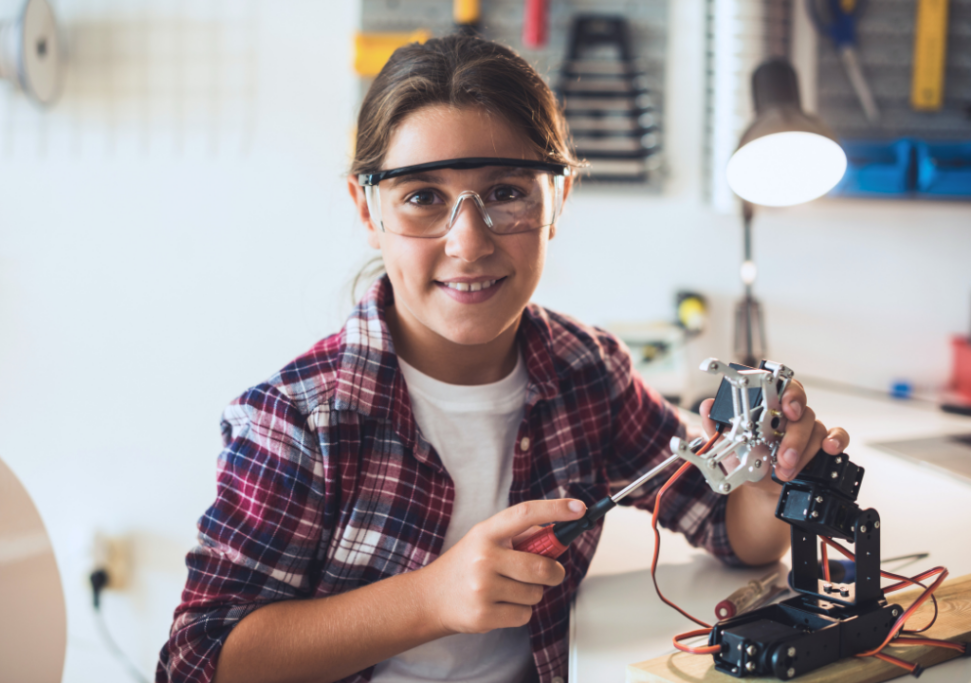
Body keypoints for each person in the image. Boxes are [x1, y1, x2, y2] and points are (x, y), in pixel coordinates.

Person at [157, 34, 849, 683]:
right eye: (422, 197)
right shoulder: (299, 419)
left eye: (506, 193)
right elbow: (199, 657)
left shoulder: (588, 371)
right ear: (367, 209)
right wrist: (429, 599)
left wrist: (766, 481)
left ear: (559, 197)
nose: (468, 241)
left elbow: (736, 535)